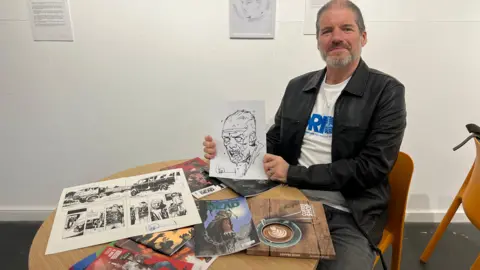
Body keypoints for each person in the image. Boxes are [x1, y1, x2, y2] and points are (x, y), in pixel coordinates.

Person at [202, 0, 406, 269]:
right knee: (223, 249)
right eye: (326, 31)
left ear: (363, 37)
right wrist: (228, 150)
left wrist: (293, 174)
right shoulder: (298, 86)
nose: (336, 38)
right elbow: (276, 139)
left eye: (346, 28)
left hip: (349, 213)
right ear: (318, 41)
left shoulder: (387, 91)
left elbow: (372, 168)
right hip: (286, 198)